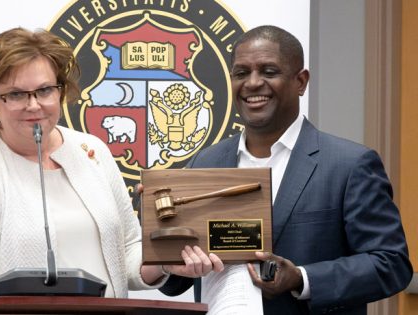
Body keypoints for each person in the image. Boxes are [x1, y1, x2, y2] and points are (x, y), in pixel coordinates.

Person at [0, 27, 224, 298]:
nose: (34, 105)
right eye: (16, 94)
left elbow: (127, 253)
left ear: (61, 91)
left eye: (45, 90)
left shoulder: (92, 151)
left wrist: (165, 263)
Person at [160, 25, 413, 314]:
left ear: (301, 81)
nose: (253, 83)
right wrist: (166, 247)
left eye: (269, 71)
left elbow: (391, 264)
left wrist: (301, 278)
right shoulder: (205, 163)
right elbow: (174, 283)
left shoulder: (350, 164)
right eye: (241, 73)